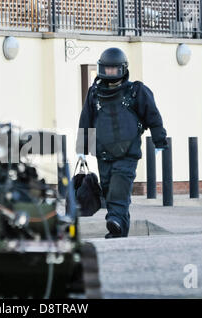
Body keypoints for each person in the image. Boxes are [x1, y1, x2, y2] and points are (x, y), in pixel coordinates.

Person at [76, 47, 168, 238]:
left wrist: (160, 140)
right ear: (101, 69)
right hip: (103, 154)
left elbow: (153, 116)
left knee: (119, 189)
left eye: (114, 69)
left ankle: (115, 220)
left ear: (122, 69)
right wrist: (82, 148)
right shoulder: (94, 94)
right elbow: (86, 120)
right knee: (110, 191)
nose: (110, 73)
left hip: (128, 154)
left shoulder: (136, 91)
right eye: (107, 69)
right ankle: (119, 232)